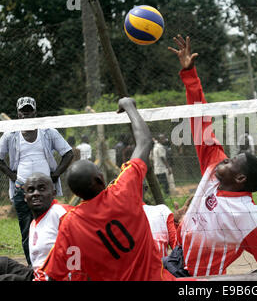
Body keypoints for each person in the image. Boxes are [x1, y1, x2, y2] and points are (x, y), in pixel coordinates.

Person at [166, 35, 257, 277]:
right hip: (174, 258)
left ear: (240, 178)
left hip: (196, 279)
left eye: (231, 161)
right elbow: (200, 121)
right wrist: (190, 74)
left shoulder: (249, 216)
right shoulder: (214, 167)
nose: (225, 159)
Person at [39, 97, 175, 281]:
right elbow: (144, 142)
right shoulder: (124, 190)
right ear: (99, 179)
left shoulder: (70, 224)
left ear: (76, 192)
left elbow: (50, 274)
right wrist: (129, 106)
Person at [0, 97, 74, 265]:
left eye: (29, 111)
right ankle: (34, 269)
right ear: (18, 114)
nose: (26, 114)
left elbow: (68, 153)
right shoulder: (11, 134)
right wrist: (14, 178)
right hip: (22, 189)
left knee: (51, 227)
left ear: (35, 112)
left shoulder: (47, 131)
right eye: (23, 111)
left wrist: (54, 176)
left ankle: (52, 265)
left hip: (45, 190)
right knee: (27, 230)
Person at [0, 173, 72, 281]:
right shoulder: (34, 222)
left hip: (52, 278)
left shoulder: (62, 214)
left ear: (53, 193)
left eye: (42, 189)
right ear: (25, 197)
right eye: (31, 190)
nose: (36, 193)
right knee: (2, 263)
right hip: (37, 273)